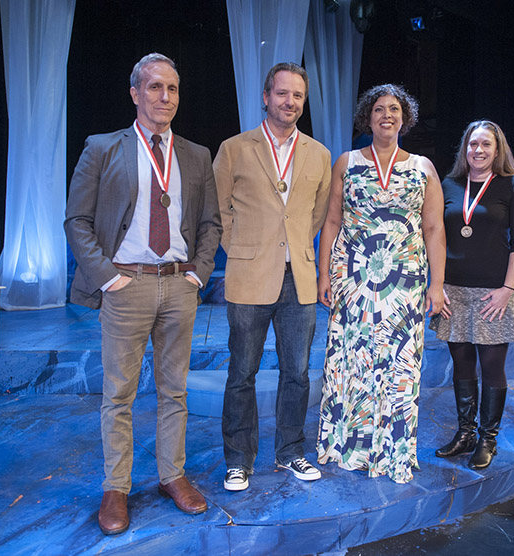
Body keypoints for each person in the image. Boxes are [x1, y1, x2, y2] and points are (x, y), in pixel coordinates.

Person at [64, 53, 221, 535]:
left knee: (175, 390)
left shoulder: (196, 154)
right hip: (126, 285)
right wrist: (108, 278)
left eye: (172, 88)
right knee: (119, 394)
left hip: (178, 285)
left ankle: (173, 476)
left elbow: (211, 224)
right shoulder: (102, 147)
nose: (165, 97)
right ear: (135, 93)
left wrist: (198, 274)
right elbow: (76, 220)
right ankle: (116, 488)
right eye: (155, 87)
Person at [315, 84, 446, 484]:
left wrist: (437, 284)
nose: (386, 115)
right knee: (352, 361)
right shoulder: (346, 162)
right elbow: (332, 221)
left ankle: (392, 452)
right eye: (378, 109)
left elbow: (434, 229)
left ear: (405, 118)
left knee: (398, 365)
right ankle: (348, 447)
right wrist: (324, 273)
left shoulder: (423, 167)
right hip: (353, 280)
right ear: (367, 118)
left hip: (403, 284)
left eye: (394, 109)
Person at [214, 62, 332, 492]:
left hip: (299, 278)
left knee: (297, 373)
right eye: (282, 93)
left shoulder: (319, 154)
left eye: (297, 95)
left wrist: (295, 246)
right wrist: (244, 250)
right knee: (241, 373)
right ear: (266, 97)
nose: (290, 102)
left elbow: (317, 214)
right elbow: (219, 210)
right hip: (249, 275)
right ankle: (238, 461)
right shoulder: (234, 148)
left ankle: (290, 452)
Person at [429, 119, 514, 470]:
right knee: (461, 364)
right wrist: (437, 284)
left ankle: (488, 439)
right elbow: (435, 235)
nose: (479, 150)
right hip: (453, 292)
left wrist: (507, 290)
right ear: (465, 148)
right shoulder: (449, 185)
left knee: (491, 367)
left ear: (497, 149)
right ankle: (466, 434)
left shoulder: (513, 185)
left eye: (486, 144)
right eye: (473, 144)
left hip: (493, 294)